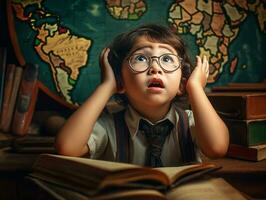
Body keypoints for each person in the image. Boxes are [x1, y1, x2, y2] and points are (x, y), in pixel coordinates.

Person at [55, 24, 229, 167]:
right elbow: (67, 148)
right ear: (120, 80)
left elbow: (217, 148)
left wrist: (195, 87)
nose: (155, 68)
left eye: (167, 59)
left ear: (181, 85)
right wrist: (107, 86)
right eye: (141, 58)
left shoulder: (191, 122)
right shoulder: (108, 126)